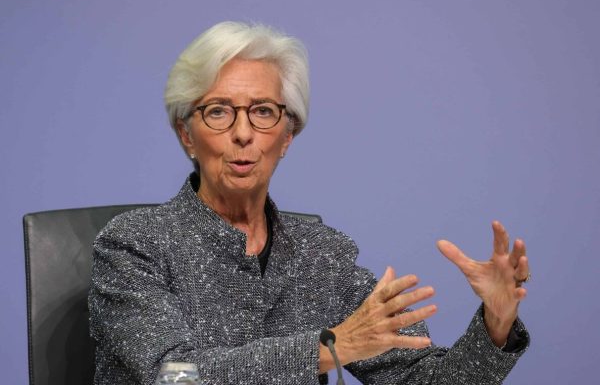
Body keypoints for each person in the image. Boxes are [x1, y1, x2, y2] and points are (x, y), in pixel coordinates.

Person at [88, 21, 530, 385]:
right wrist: (329, 346)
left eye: (263, 111)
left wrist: (495, 324)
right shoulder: (134, 244)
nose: (243, 134)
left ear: (287, 136)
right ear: (187, 134)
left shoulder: (322, 255)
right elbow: (172, 376)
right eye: (219, 111)